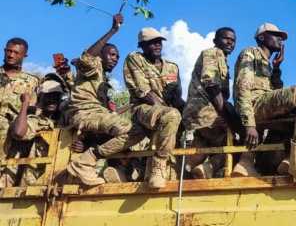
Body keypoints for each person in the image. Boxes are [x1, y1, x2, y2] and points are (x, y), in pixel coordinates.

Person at [234, 23, 296, 179]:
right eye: (275, 35)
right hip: (254, 105)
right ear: (261, 37)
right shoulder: (250, 53)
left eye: (281, 37)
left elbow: (275, 93)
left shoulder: (267, 63)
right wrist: (250, 124)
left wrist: (277, 69)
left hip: (262, 105)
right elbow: (242, 88)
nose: (280, 39)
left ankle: (258, 161)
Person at [65, 14, 146, 186]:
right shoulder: (93, 68)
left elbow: (111, 113)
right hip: (85, 113)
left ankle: (118, 172)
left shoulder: (104, 82)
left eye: (117, 56)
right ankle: (84, 163)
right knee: (133, 131)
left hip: (96, 115)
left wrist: (132, 104)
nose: (115, 59)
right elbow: (86, 57)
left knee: (125, 147)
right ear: (101, 55)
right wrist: (113, 31)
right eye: (112, 54)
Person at [124, 27, 184, 188]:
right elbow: (143, 91)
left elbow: (177, 96)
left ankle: (185, 168)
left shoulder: (172, 67)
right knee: (171, 116)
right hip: (143, 109)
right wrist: (167, 110)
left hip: (168, 114)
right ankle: (158, 163)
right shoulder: (135, 59)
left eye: (159, 42)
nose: (157, 45)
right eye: (151, 43)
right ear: (142, 46)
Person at [182, 27, 243, 178]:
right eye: (226, 38)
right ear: (215, 41)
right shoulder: (212, 53)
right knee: (238, 143)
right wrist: (225, 114)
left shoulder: (223, 60)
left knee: (217, 140)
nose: (230, 42)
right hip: (203, 112)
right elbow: (210, 82)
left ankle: (199, 167)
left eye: (233, 40)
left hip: (205, 113)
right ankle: (207, 167)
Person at [0, 38, 39, 188]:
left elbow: (32, 111)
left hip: (13, 133)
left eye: (16, 52)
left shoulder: (31, 82)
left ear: (24, 56)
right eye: (8, 51)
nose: (11, 55)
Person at [10, 80, 65, 186]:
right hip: (34, 181)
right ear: (40, 98)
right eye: (48, 96)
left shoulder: (65, 121)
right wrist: (25, 104)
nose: (52, 100)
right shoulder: (35, 120)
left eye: (56, 96)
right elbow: (18, 133)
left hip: (59, 178)